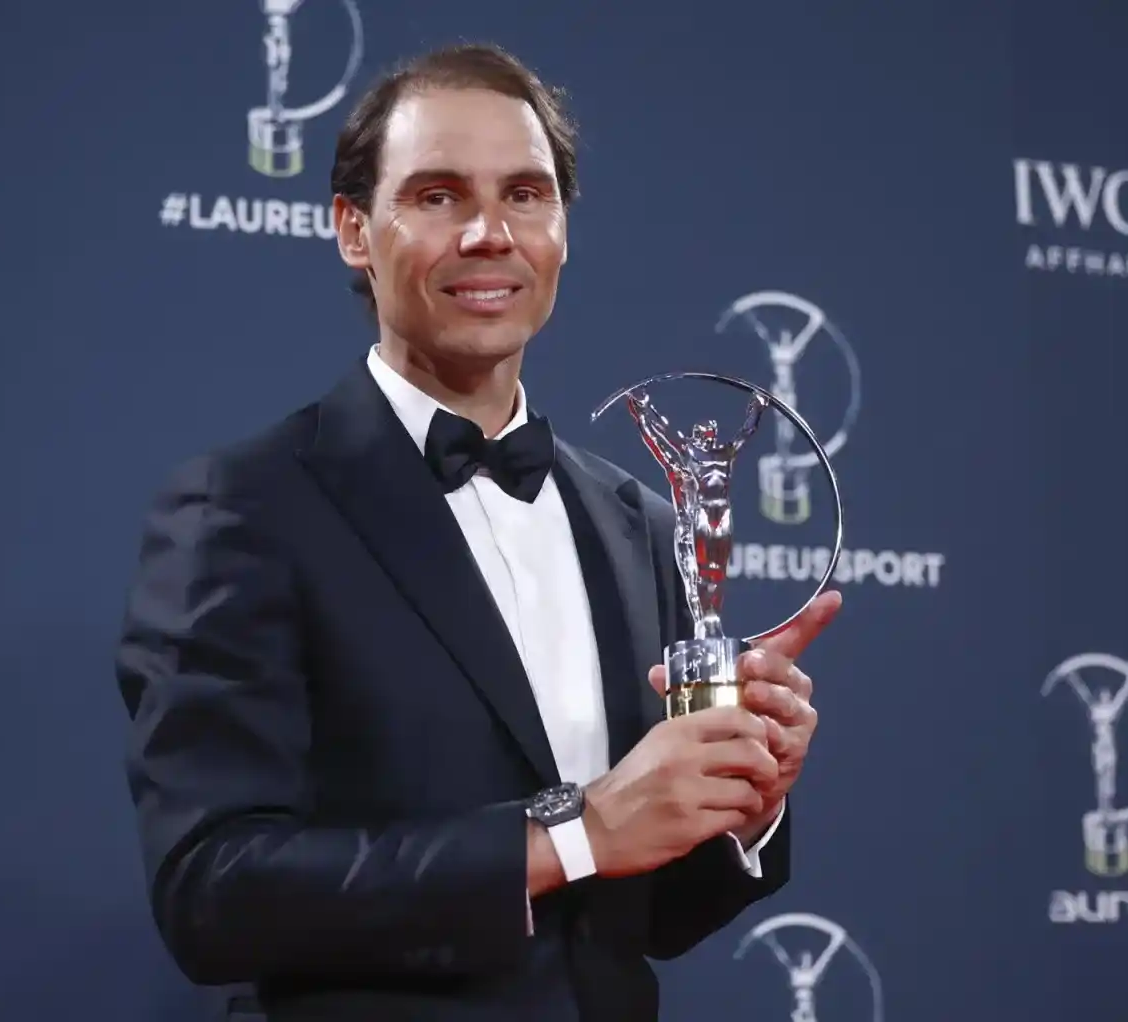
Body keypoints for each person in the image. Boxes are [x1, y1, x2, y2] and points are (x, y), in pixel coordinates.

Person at [114, 42, 842, 1022]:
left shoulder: (638, 526)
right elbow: (215, 891)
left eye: (525, 194)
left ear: (562, 230)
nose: (489, 233)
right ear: (351, 230)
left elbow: (650, 918)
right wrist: (571, 832)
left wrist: (742, 801)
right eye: (437, 196)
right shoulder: (244, 507)